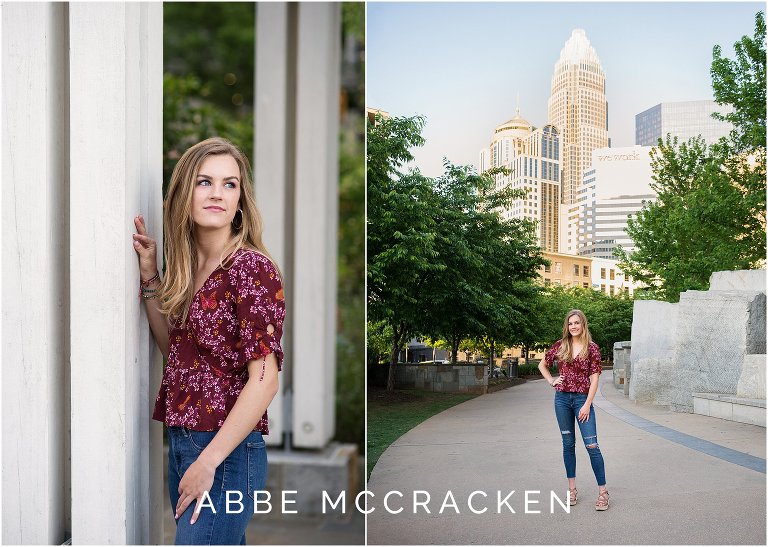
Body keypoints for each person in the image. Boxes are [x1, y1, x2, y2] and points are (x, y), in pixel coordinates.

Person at [132, 137, 285, 544]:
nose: (218, 193)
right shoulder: (187, 268)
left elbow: (265, 379)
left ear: (240, 200)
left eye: (230, 184)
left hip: (227, 453)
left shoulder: (250, 269)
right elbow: (177, 354)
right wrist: (150, 276)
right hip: (185, 442)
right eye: (205, 182)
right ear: (185, 192)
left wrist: (209, 461)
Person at [538, 309, 609, 511]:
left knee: (592, 446)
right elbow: (543, 365)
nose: (574, 326)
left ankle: (603, 493)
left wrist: (587, 404)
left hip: (581, 401)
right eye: (570, 324)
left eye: (577, 323)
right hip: (561, 400)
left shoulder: (592, 348)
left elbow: (595, 378)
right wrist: (551, 380)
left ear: (583, 324)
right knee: (568, 444)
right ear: (567, 326)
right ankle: (572, 490)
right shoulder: (560, 346)